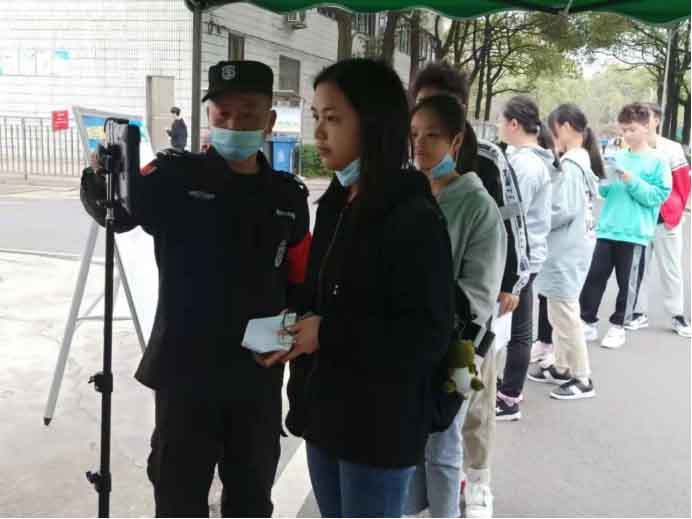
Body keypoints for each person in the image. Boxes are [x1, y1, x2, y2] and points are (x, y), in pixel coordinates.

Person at [81, 60, 311, 517]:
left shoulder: (288, 197)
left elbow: (300, 283)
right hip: (186, 373)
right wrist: (98, 175)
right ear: (208, 117)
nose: (234, 124)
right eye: (223, 114)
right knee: (178, 497)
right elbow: (119, 214)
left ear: (269, 122)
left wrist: (294, 344)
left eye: (248, 114)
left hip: (256, 378)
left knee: (251, 498)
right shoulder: (174, 177)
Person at [261, 58, 455, 518]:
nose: (318, 133)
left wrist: (326, 333)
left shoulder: (413, 217)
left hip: (378, 428)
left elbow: (425, 336)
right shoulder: (335, 202)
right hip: (324, 414)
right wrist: (290, 328)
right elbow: (319, 294)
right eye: (316, 117)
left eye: (332, 119)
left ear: (373, 123)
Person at [408, 62, 530, 519]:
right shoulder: (413, 179)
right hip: (421, 334)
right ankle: (421, 502)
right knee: (426, 431)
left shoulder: (485, 172)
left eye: (437, 125)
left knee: (466, 413)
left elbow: (511, 225)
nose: (423, 139)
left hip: (467, 331)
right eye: (420, 118)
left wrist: (511, 282)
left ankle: (477, 482)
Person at [580, 102, 671, 349]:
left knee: (627, 284)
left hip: (635, 233)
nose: (627, 134)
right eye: (624, 130)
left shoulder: (658, 161)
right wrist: (604, 181)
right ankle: (587, 321)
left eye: (632, 129)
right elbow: (604, 191)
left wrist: (632, 180)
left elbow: (657, 196)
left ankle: (619, 326)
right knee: (594, 277)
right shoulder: (617, 156)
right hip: (607, 228)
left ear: (646, 126)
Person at [528, 103, 603, 399]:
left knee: (565, 312)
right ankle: (561, 366)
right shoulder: (581, 160)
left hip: (566, 248)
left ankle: (582, 378)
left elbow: (561, 210)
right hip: (574, 245)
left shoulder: (571, 165)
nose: (551, 135)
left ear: (567, 127)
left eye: (554, 129)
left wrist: (536, 214)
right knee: (559, 310)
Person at [496, 96, 554, 421]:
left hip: (520, 257)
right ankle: (508, 391)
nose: (499, 126)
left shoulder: (526, 165)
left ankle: (509, 398)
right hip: (527, 255)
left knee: (517, 330)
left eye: (501, 120)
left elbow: (511, 216)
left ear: (514, 124)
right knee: (518, 328)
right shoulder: (527, 160)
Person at [627, 103, 691, 337]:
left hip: (667, 219)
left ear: (656, 121)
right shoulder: (631, 147)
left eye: (648, 117)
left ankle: (677, 315)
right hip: (640, 218)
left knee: (671, 268)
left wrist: (676, 211)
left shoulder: (671, 149)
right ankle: (638, 312)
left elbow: (683, 183)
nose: (643, 122)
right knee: (638, 267)